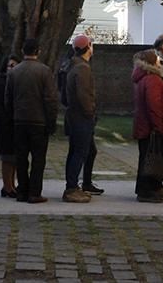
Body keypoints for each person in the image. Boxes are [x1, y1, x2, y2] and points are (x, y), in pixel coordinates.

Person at [5, 38, 59, 204]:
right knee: (38, 159)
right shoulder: (45, 71)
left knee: (21, 158)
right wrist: (51, 121)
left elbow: (8, 98)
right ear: (38, 51)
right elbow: (50, 99)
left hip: (19, 121)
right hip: (39, 121)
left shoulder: (14, 72)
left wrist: (12, 117)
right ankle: (34, 192)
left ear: (23, 51)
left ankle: (22, 190)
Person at [132, 49, 163, 203]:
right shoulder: (152, 80)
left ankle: (156, 186)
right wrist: (158, 126)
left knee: (155, 158)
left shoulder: (146, 78)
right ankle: (146, 190)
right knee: (151, 158)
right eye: (157, 59)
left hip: (149, 126)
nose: (159, 61)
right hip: (155, 128)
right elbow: (154, 104)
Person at [63, 34, 101, 203]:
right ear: (88, 47)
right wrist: (90, 113)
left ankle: (83, 183)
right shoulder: (83, 69)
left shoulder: (73, 66)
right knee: (79, 152)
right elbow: (84, 96)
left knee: (86, 151)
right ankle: (71, 188)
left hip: (74, 116)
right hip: (81, 118)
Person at [0, 54, 21, 198]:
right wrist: (6, 118)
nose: (12, 68)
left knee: (14, 157)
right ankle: (7, 186)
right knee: (6, 157)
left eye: (15, 65)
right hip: (5, 125)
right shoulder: (0, 82)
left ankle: (12, 184)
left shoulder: (18, 82)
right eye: (10, 65)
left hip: (16, 124)